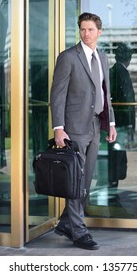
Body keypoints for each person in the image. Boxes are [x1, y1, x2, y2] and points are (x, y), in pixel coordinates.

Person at [50, 12, 117, 250]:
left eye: (90, 30)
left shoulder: (102, 56)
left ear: (99, 32)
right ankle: (79, 231)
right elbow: (57, 94)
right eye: (82, 29)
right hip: (74, 127)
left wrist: (110, 122)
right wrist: (59, 128)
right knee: (76, 180)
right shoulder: (68, 57)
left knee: (86, 179)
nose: (85, 34)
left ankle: (67, 223)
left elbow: (105, 93)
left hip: (95, 125)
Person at [108, 42, 135, 188]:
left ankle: (111, 184)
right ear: (128, 58)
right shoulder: (122, 72)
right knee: (117, 155)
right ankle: (112, 186)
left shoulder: (112, 70)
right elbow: (127, 101)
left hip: (115, 121)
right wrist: (130, 124)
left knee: (114, 155)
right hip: (121, 122)